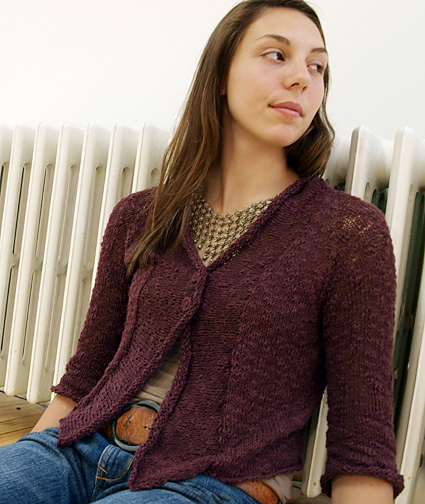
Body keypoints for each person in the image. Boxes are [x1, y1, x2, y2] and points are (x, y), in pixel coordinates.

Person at [0, 1, 404, 503]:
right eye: (277, 55)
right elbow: (85, 374)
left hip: (213, 484)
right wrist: (33, 459)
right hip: (81, 449)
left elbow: (362, 441)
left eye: (317, 66)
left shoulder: (348, 232)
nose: (302, 78)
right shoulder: (139, 215)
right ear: (221, 73)